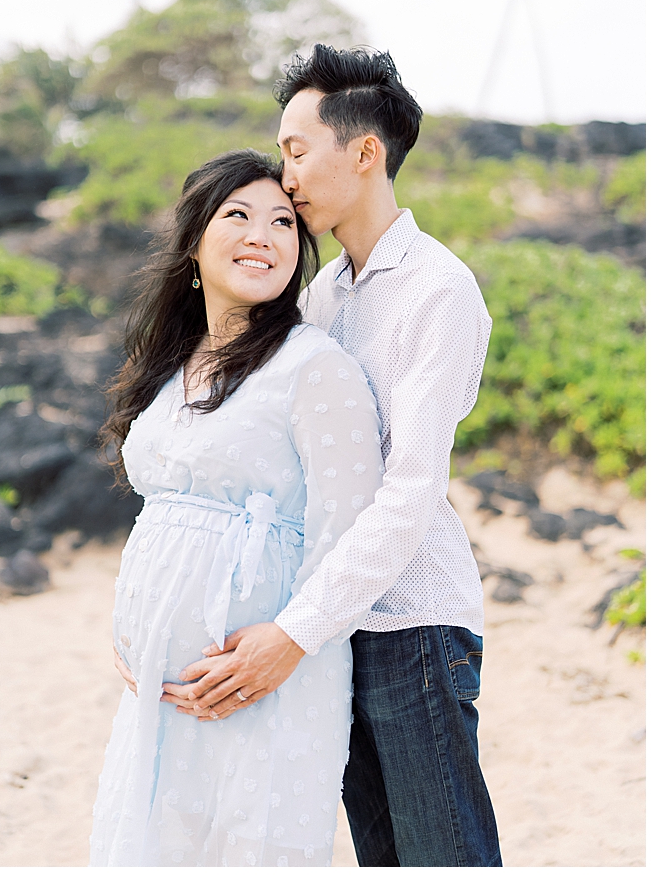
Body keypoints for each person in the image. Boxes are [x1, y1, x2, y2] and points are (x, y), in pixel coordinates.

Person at [158, 45, 502, 867]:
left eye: (296, 149)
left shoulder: (437, 290)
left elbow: (410, 490)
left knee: (446, 858)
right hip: (337, 626)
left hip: (412, 620)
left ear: (365, 152)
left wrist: (293, 632)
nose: (287, 176)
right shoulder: (321, 293)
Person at [89, 148, 385, 867]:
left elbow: (349, 532)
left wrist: (283, 643)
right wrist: (140, 622)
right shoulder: (168, 366)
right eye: (239, 215)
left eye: (284, 222)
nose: (264, 234)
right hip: (157, 687)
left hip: (268, 679)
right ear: (194, 241)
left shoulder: (315, 367)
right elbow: (165, 521)